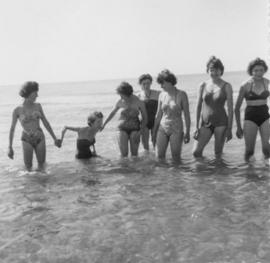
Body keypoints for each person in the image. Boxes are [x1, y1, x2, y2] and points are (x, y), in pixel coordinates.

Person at [7, 81, 61, 170]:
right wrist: (10, 147)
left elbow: (45, 123)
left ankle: (42, 184)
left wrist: (55, 139)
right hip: (26, 139)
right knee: (28, 169)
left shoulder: (38, 106)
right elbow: (12, 129)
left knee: (42, 166)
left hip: (40, 137)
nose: (37, 95)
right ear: (29, 93)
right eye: (35, 92)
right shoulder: (17, 110)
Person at [193, 56, 233, 158]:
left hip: (221, 123)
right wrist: (196, 126)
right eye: (212, 70)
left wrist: (229, 128)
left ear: (221, 71)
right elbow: (198, 107)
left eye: (217, 70)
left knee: (217, 154)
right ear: (207, 70)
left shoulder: (227, 86)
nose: (214, 73)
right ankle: (203, 173)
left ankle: (218, 173)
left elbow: (230, 109)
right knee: (196, 152)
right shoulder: (202, 85)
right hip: (205, 123)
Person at [235, 58, 270, 161]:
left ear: (265, 70)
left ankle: (266, 173)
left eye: (261, 70)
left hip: (265, 117)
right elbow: (236, 108)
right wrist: (238, 127)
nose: (259, 73)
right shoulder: (245, 85)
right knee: (249, 151)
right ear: (251, 71)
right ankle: (249, 174)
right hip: (250, 118)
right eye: (256, 70)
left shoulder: (268, 83)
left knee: (266, 149)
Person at [152, 69, 190, 162]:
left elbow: (186, 115)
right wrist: (154, 132)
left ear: (170, 82)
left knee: (175, 157)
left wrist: (187, 132)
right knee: (159, 157)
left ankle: (176, 176)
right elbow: (158, 115)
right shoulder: (161, 95)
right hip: (162, 128)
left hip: (176, 129)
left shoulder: (182, 94)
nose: (161, 86)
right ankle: (163, 176)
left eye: (162, 83)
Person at [101, 82, 147, 157]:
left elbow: (145, 118)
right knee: (124, 155)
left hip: (135, 129)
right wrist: (104, 124)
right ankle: (124, 168)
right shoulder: (120, 101)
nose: (120, 97)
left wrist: (140, 132)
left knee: (134, 155)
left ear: (127, 94)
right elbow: (112, 113)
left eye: (122, 95)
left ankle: (134, 169)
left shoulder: (139, 102)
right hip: (121, 128)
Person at [137, 74, 160, 150]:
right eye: (144, 84)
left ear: (151, 83)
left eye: (148, 83)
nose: (146, 85)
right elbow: (135, 111)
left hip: (155, 121)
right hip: (144, 122)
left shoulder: (158, 93)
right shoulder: (138, 96)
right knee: (145, 145)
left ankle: (157, 160)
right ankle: (148, 160)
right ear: (140, 84)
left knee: (155, 143)